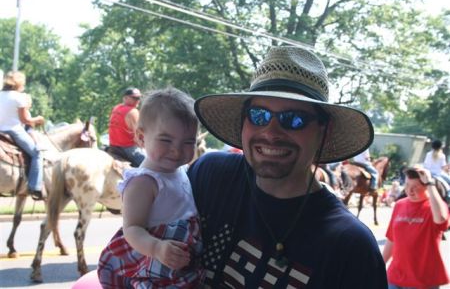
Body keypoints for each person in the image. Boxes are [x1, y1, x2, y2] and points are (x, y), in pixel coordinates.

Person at [188, 46, 387, 288]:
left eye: (294, 119)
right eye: (258, 115)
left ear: (324, 132)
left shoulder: (350, 246)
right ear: (243, 121)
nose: (270, 132)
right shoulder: (210, 174)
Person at [98, 88, 204, 288]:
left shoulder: (180, 169)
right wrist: (156, 248)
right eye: (165, 140)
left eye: (188, 142)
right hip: (158, 268)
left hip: (185, 259)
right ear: (140, 137)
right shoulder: (144, 182)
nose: (177, 149)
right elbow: (132, 228)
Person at [382, 166, 450, 288]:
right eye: (407, 185)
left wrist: (430, 182)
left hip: (423, 280)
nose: (409, 191)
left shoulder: (434, 207)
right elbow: (392, 239)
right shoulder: (399, 205)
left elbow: (441, 219)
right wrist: (379, 265)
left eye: (415, 187)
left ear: (427, 187)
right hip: (395, 276)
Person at [0, 71, 45, 200]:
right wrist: (38, 119)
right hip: (14, 131)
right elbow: (25, 120)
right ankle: (35, 187)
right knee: (37, 153)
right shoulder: (19, 97)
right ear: (19, 84)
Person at [108, 87, 146, 167]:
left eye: (139, 98)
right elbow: (139, 136)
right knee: (152, 166)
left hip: (113, 146)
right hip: (128, 149)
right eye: (135, 98)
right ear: (125, 98)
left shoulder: (116, 108)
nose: (138, 100)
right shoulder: (133, 112)